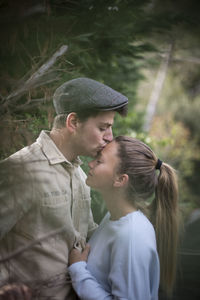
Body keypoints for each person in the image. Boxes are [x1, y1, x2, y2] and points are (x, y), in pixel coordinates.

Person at [0, 78, 128, 299]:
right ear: (73, 122)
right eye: (102, 127)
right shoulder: (21, 170)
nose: (109, 137)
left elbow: (84, 238)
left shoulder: (80, 174)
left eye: (110, 128)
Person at [68, 136, 179, 300]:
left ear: (120, 180)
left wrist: (78, 270)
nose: (90, 163)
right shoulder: (113, 218)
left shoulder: (132, 236)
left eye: (99, 161)